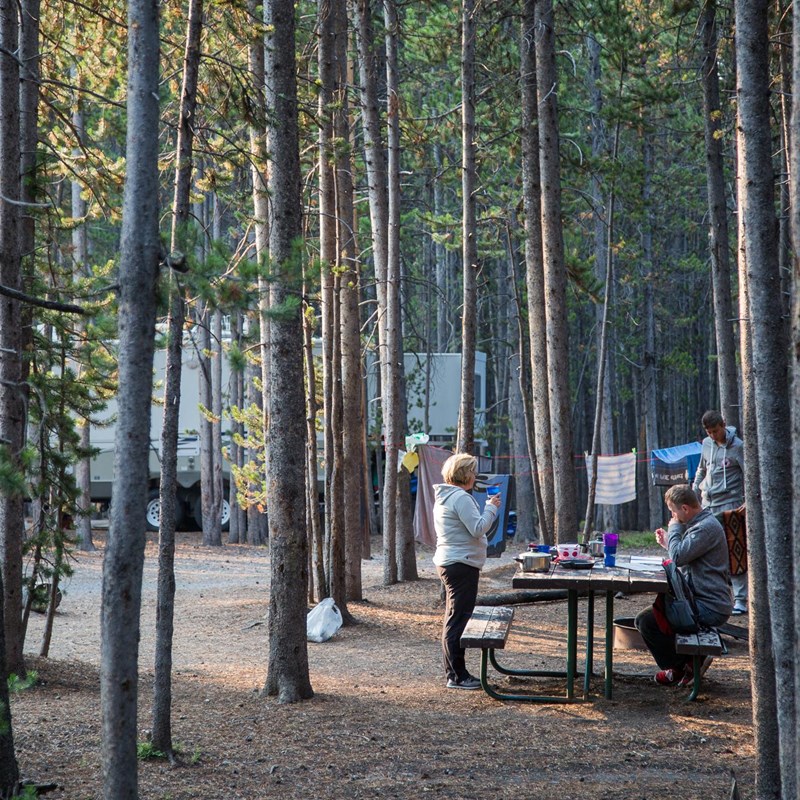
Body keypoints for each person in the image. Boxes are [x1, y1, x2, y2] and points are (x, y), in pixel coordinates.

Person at [635, 485, 732, 687]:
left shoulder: (705, 527)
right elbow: (685, 554)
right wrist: (668, 544)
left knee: (647, 621)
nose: (673, 515)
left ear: (685, 509)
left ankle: (686, 665)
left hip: (708, 606)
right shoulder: (701, 524)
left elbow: (678, 557)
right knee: (652, 616)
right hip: (697, 600)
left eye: (673, 510)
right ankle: (682, 666)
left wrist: (675, 529)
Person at [433, 453, 501, 690]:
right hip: (460, 564)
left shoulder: (446, 496)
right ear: (464, 474)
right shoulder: (460, 497)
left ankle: (454, 673)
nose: (475, 476)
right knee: (458, 619)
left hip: (455, 562)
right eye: (472, 471)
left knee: (454, 617)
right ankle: (457, 676)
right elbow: (478, 528)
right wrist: (491, 508)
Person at [691, 410, 747, 614]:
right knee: (707, 550)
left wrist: (748, 501)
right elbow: (701, 468)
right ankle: (710, 595)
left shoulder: (738, 447)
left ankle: (741, 599)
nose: (713, 435)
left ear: (723, 425)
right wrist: (695, 487)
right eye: (709, 432)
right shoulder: (706, 445)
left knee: (735, 550)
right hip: (708, 504)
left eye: (716, 430)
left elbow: (749, 474)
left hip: (731, 504)